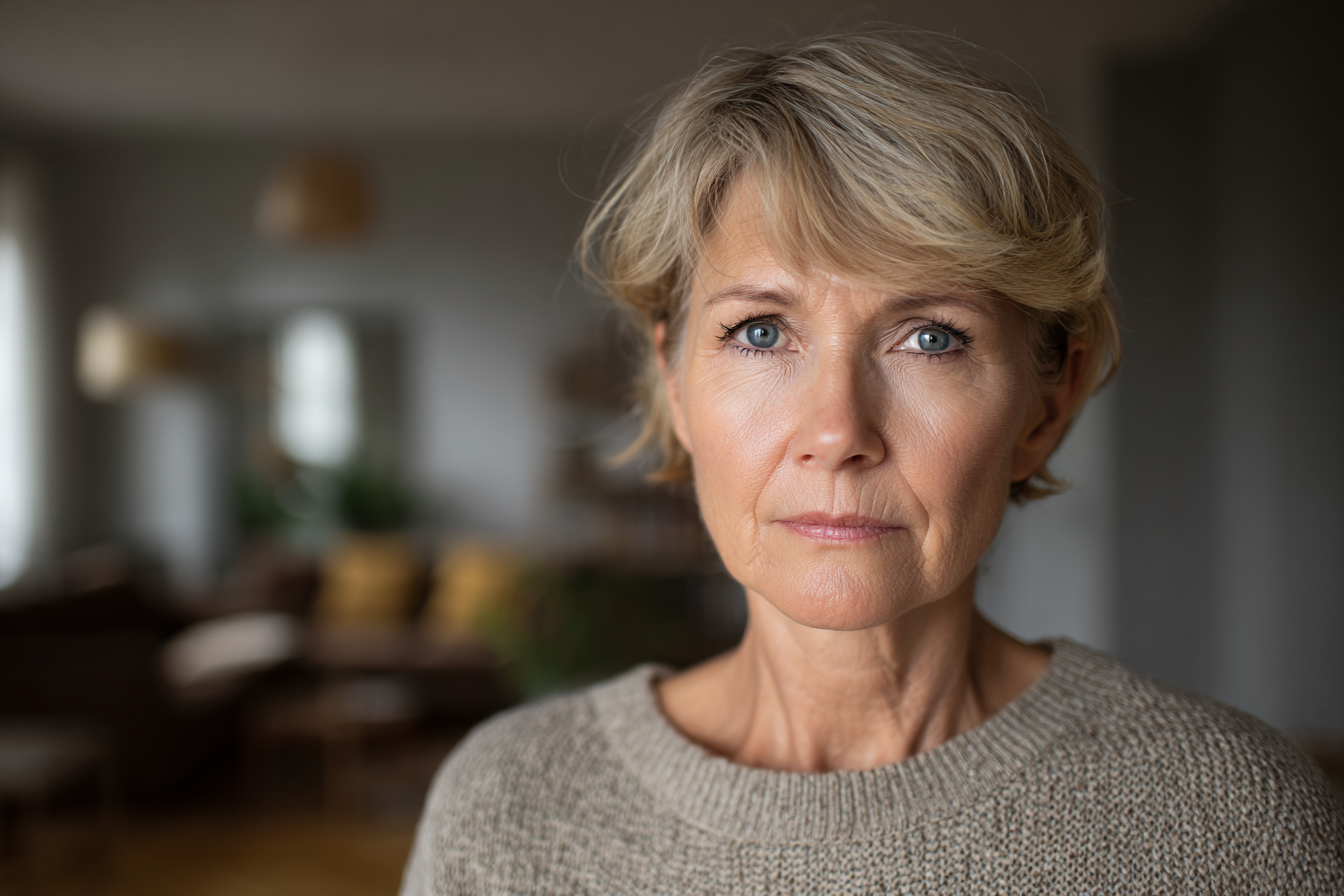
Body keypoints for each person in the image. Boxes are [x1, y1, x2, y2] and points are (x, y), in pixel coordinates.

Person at [401, 31, 1343, 894]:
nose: (838, 428)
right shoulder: (506, 809)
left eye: (930, 337)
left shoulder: (1228, 823)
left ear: (1045, 404)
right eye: (761, 331)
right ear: (674, 385)